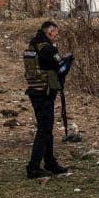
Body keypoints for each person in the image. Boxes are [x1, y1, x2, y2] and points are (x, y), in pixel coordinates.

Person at [23, 21, 73, 179]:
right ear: (49, 32)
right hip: (44, 93)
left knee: (46, 129)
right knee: (44, 130)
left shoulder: (32, 47)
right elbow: (61, 69)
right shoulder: (48, 49)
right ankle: (33, 167)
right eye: (56, 33)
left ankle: (50, 162)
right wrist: (68, 60)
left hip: (35, 91)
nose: (56, 36)